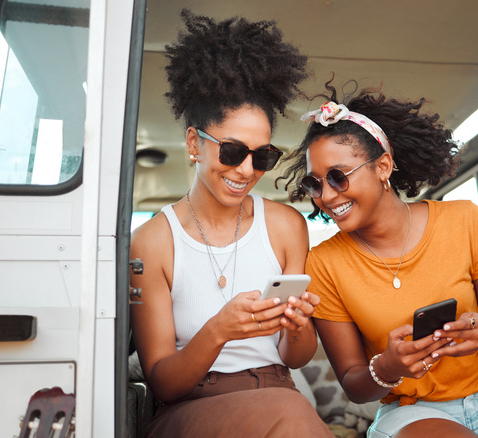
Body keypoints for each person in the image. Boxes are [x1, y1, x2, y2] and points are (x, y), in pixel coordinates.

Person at [279, 85, 478, 438]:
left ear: (383, 166)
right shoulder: (323, 263)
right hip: (410, 411)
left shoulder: (464, 220)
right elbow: (355, 386)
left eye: (338, 177)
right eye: (315, 183)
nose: (326, 196)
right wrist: (387, 367)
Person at [129, 10, 332, 437]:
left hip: (279, 391)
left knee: (289, 410)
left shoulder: (286, 226)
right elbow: (163, 379)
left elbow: (296, 356)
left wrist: (296, 328)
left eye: (262, 157)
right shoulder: (151, 242)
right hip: (193, 406)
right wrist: (219, 330)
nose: (246, 170)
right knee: (292, 416)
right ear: (193, 143)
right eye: (232, 151)